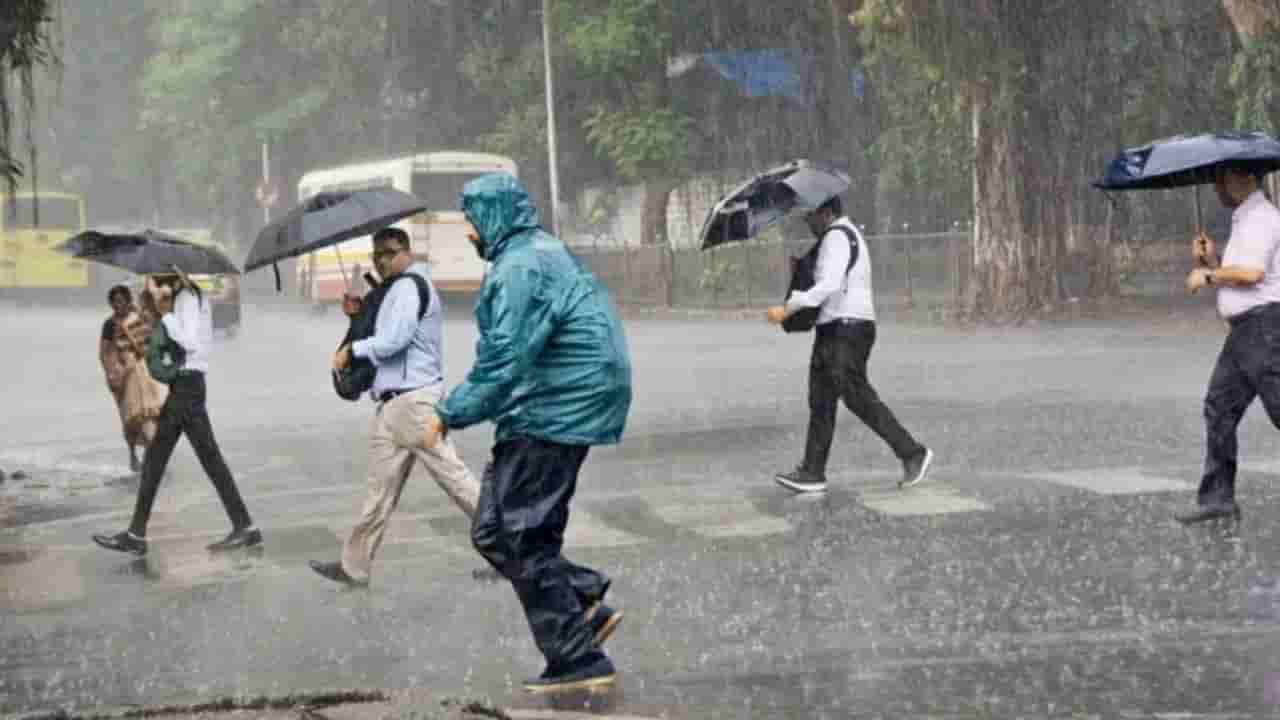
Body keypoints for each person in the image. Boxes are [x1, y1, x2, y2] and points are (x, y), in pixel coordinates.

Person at [428, 173, 631, 694]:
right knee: (493, 531)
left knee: (525, 534)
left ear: (494, 217)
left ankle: (578, 659)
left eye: (472, 222)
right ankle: (582, 601)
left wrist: (450, 411)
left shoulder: (520, 268)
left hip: (555, 410)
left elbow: (505, 361)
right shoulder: (530, 254)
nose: (469, 234)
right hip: (549, 405)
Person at [309, 227, 481, 587]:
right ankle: (354, 566)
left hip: (415, 403)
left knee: (458, 482)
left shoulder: (408, 286)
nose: (382, 260)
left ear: (406, 251)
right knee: (379, 492)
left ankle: (517, 547)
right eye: (376, 255)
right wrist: (357, 314)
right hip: (393, 407)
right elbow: (381, 330)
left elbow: (394, 340)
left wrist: (353, 350)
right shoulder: (395, 289)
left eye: (388, 252)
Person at [766, 195, 933, 495]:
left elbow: (828, 285)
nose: (808, 222)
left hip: (847, 328)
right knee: (821, 401)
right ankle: (813, 471)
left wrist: (790, 307)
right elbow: (830, 282)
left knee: (856, 396)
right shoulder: (841, 236)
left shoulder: (837, 237)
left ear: (826, 213)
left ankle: (912, 452)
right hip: (834, 327)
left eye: (811, 216)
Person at [92, 273, 260, 556]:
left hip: (187, 388)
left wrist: (165, 314)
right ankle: (244, 526)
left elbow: (190, 342)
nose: (157, 281)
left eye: (160, 275)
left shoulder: (189, 298)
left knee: (168, 459)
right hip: (185, 387)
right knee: (188, 459)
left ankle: (137, 535)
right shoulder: (186, 297)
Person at [1179, 164, 1280, 524]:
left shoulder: (1263, 219)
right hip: (1243, 334)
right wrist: (1214, 260)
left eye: (1221, 179)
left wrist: (1206, 274)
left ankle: (1218, 495)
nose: (1217, 186)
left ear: (1245, 178)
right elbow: (1239, 275)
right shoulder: (1244, 218)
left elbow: (1253, 275)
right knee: (1219, 407)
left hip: (1264, 330)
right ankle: (1218, 497)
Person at [99, 285, 166, 472]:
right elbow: (104, 352)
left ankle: (150, 456)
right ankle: (132, 453)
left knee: (149, 413)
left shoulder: (139, 319)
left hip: (143, 370)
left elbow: (153, 341)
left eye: (121, 301)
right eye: (114, 302)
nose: (117, 305)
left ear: (128, 302)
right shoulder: (109, 325)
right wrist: (112, 373)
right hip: (123, 376)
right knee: (130, 417)